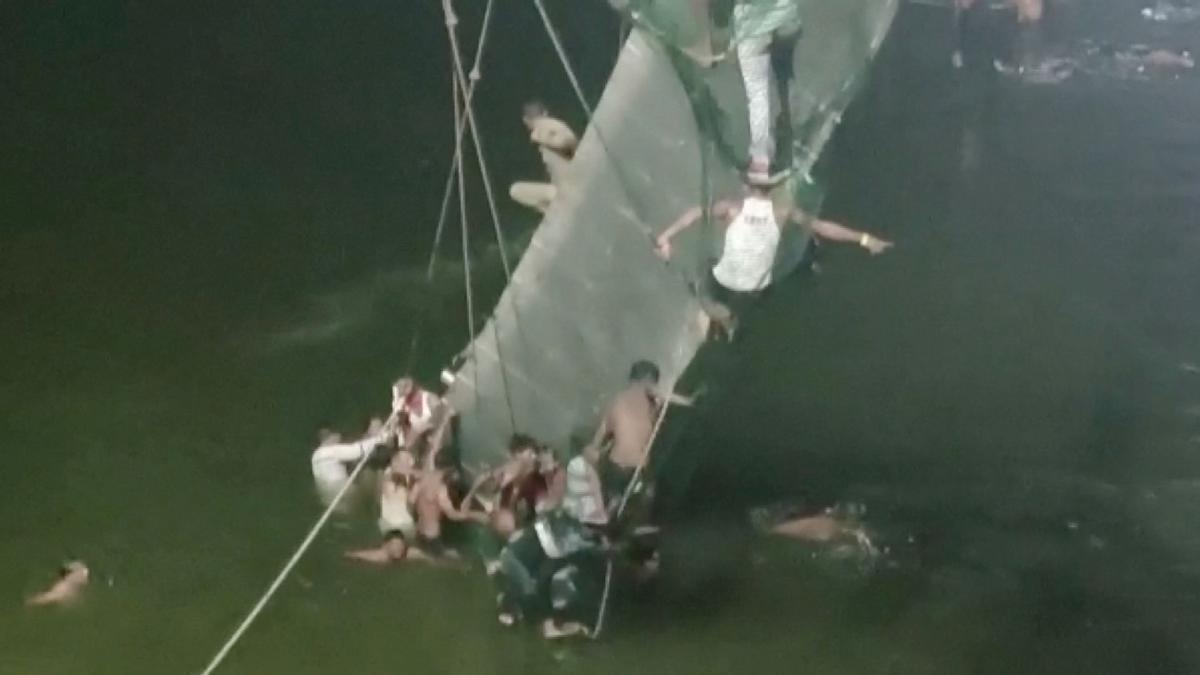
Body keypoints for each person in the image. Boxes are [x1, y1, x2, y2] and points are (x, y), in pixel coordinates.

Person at [655, 165, 892, 337]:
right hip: (755, 276)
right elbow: (822, 226)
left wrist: (666, 237)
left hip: (742, 275)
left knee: (710, 297)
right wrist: (863, 238)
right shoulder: (780, 211)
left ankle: (727, 320)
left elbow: (697, 213)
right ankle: (729, 320)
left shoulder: (733, 209)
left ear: (747, 187)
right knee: (724, 298)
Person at [343, 450, 420, 565]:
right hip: (392, 523)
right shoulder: (391, 475)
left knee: (404, 553)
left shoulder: (401, 477)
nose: (409, 462)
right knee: (398, 553)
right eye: (405, 459)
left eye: (409, 459)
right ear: (394, 461)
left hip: (400, 523)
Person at [509, 102, 578, 214]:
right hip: (560, 190)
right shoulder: (542, 132)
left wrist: (544, 139)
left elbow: (570, 141)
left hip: (573, 184)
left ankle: (560, 211)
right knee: (516, 190)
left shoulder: (551, 126)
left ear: (526, 121)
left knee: (516, 191)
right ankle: (556, 213)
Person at [310, 418, 390, 507]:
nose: (339, 437)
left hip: (327, 498)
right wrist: (383, 436)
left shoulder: (315, 457)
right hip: (341, 493)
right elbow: (357, 450)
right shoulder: (330, 451)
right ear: (332, 436)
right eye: (337, 435)